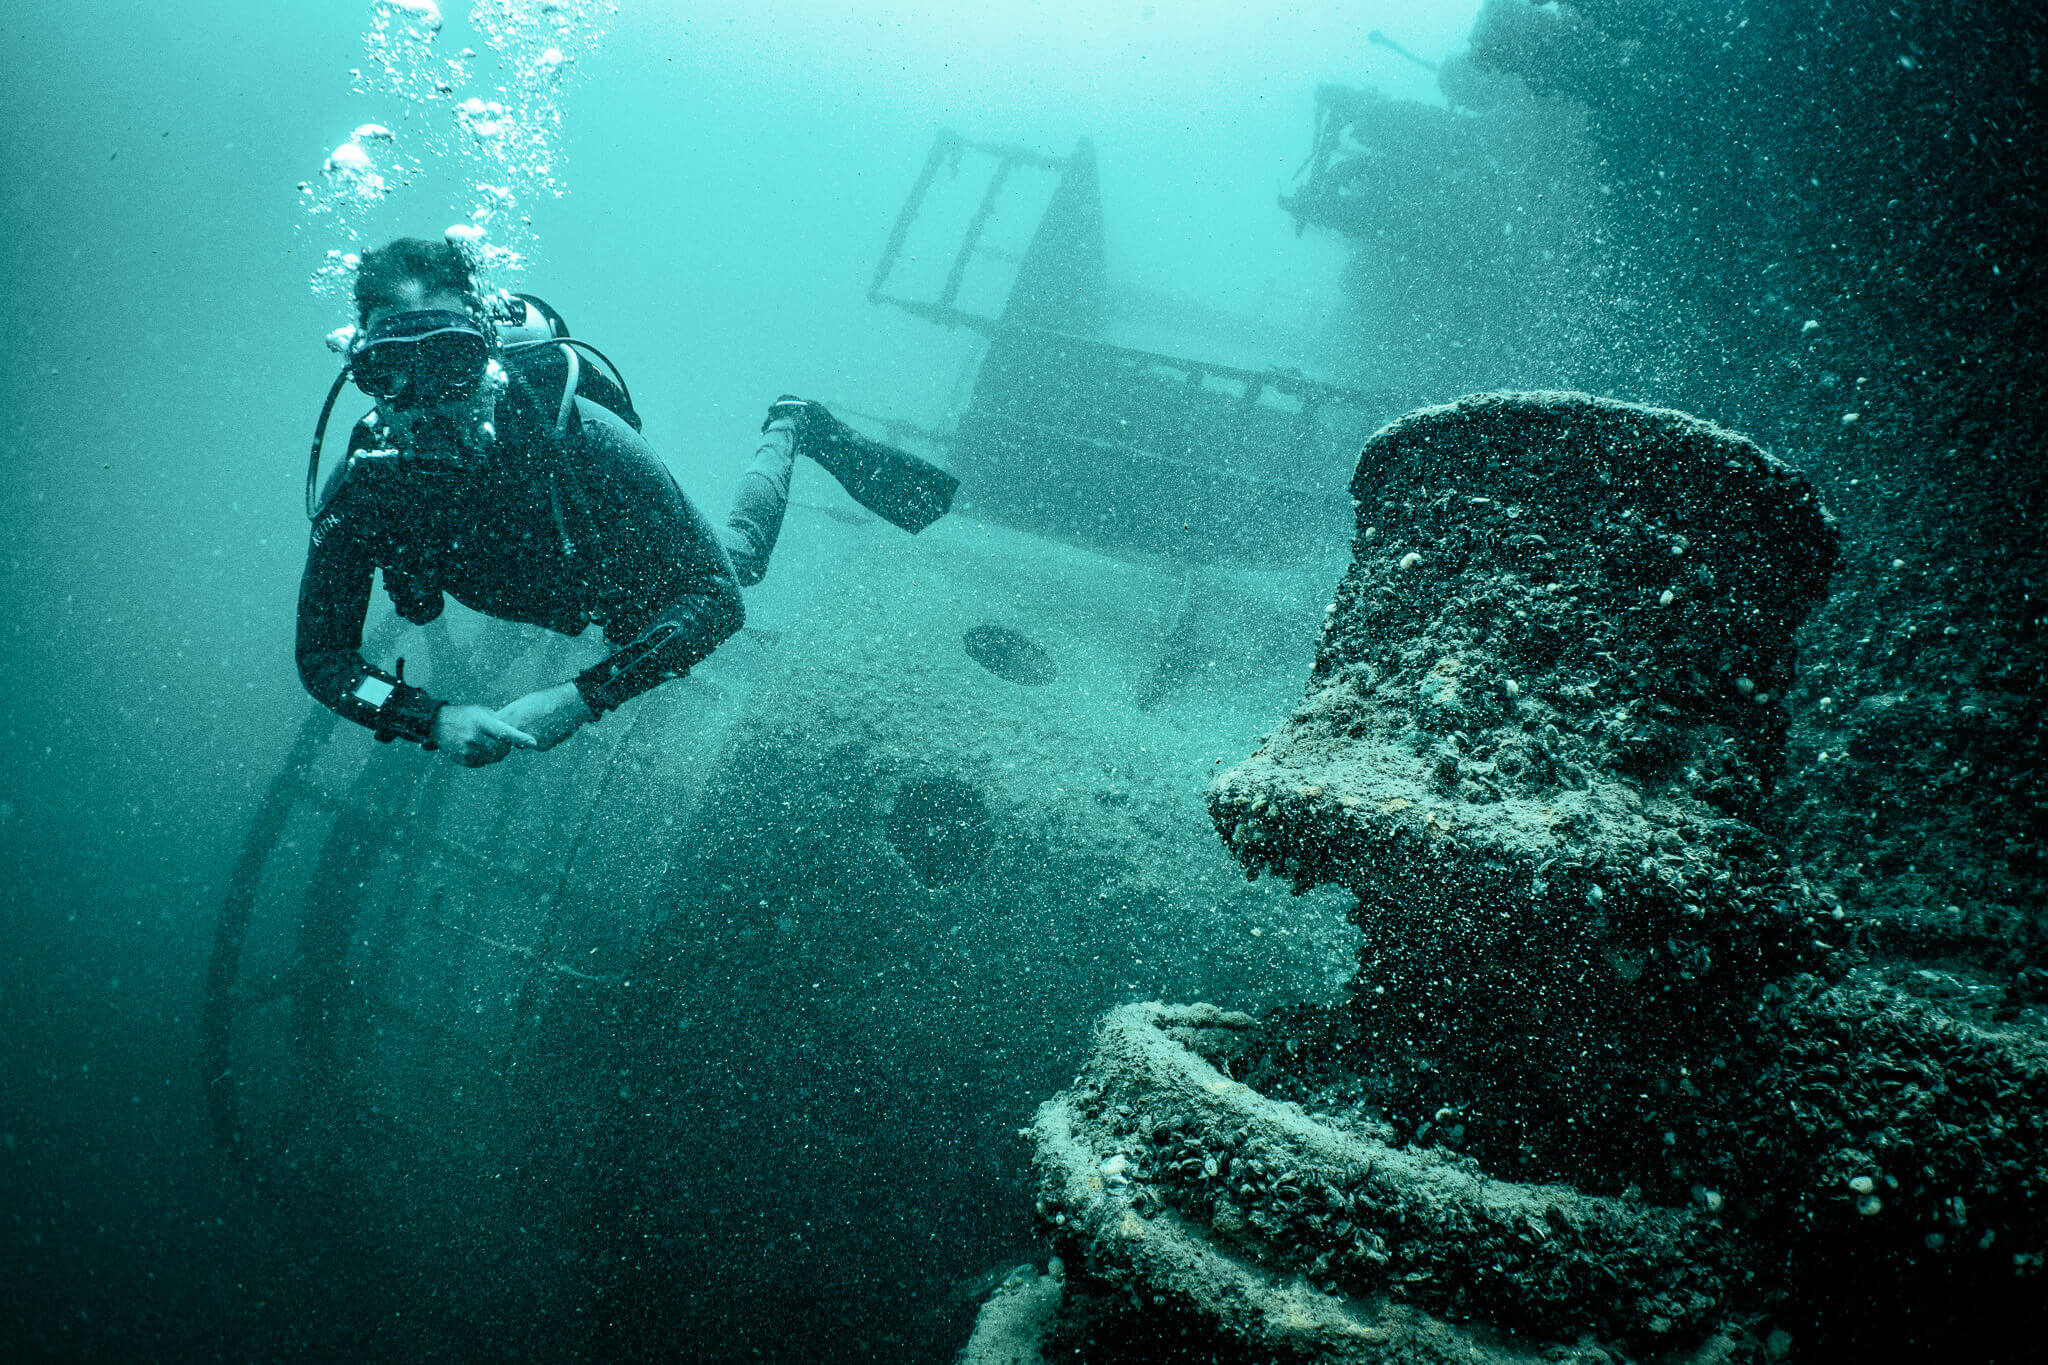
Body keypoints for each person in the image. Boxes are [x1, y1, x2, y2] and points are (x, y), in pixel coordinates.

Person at [297, 237, 957, 767]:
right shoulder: (366, 486)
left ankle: (793, 423)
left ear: (488, 358)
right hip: (538, 583)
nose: (424, 401)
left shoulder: (579, 437)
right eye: (388, 370)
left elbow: (719, 599)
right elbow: (324, 658)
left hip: (616, 568)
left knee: (741, 560)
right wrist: (428, 716)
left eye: (450, 361)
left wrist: (578, 698)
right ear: (362, 372)